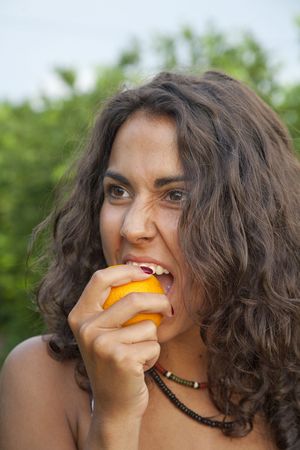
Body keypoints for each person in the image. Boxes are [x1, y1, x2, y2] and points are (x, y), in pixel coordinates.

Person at [0, 70, 299, 450]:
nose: (131, 227)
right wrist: (113, 416)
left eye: (176, 195)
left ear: (248, 221)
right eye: (118, 190)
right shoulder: (40, 377)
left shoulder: (288, 373)